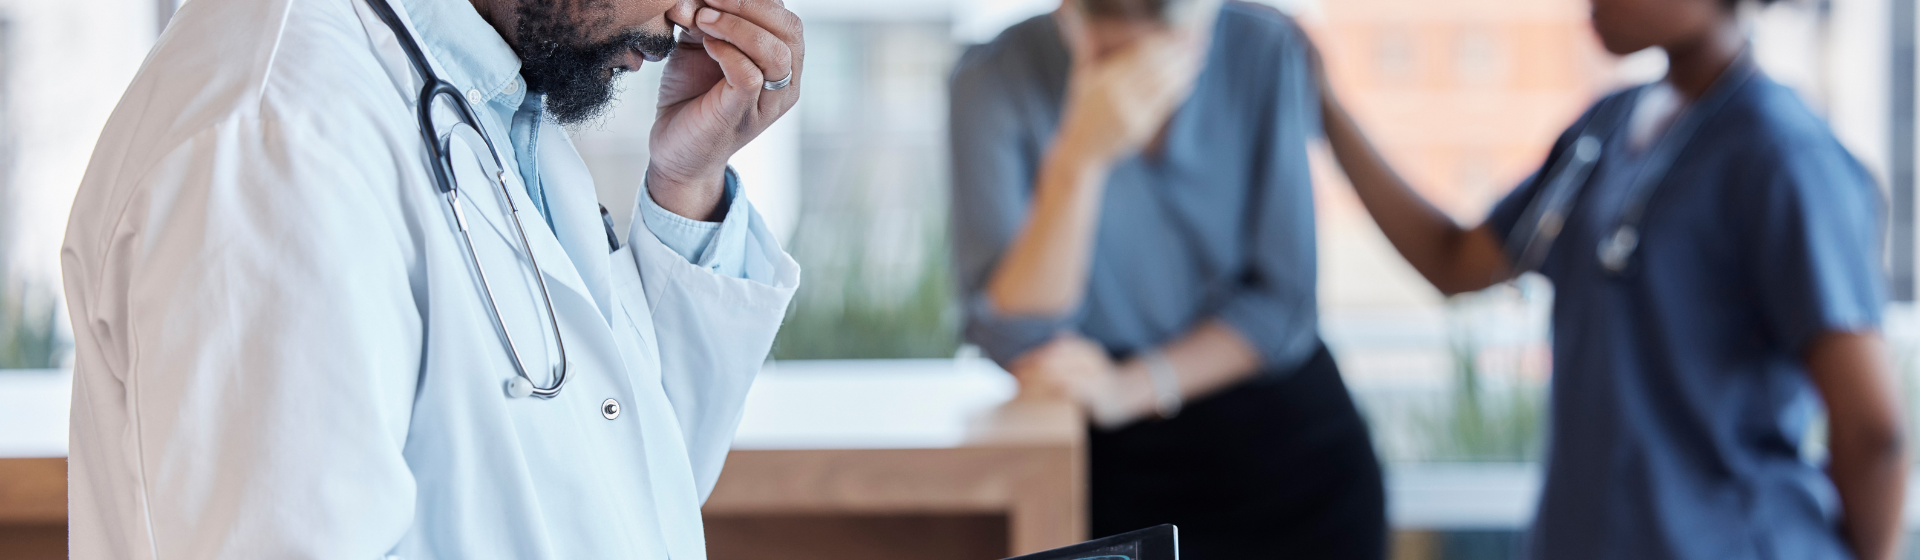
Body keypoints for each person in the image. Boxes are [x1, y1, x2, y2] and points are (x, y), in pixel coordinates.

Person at [59, 0, 804, 556]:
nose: (688, 16)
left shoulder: (477, 99)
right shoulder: (278, 144)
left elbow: (620, 492)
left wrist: (687, 182)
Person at [1314, 0, 1909, 557]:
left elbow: (1874, 435)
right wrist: (1323, 103)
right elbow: (1456, 262)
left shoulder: (1784, 156)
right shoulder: (1606, 128)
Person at [949, 0, 1385, 557]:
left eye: (1172, 44)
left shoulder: (1265, 48)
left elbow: (1284, 303)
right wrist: (1079, 157)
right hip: (1111, 467)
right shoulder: (994, 75)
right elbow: (1013, 334)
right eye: (1114, 49)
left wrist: (1129, 388)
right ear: (1068, 15)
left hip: (1286, 452)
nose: (1143, 68)